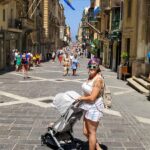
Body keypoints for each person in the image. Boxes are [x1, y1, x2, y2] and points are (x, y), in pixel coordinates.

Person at [77, 57, 104, 150]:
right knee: (85, 132)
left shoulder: (98, 79)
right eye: (90, 66)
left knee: (92, 132)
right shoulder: (91, 76)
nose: (91, 68)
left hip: (94, 107)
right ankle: (98, 147)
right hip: (87, 106)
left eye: (94, 66)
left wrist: (81, 98)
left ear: (98, 67)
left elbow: (92, 97)